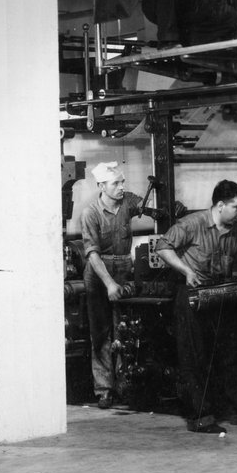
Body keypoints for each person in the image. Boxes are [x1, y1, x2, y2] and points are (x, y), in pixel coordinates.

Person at [155, 180, 237, 434]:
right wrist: (185, 270)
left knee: (226, 352)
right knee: (194, 356)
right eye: (236, 207)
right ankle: (200, 416)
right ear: (220, 205)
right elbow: (162, 246)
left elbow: (236, 263)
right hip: (193, 295)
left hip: (220, 295)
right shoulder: (192, 224)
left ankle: (230, 408)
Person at [80, 160, 146, 410]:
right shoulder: (91, 213)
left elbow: (149, 205)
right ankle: (104, 390)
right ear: (101, 185)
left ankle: (124, 385)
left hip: (123, 267)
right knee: (100, 333)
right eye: (115, 183)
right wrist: (109, 283)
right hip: (99, 273)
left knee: (124, 330)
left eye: (122, 182)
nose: (121, 187)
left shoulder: (127, 202)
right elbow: (92, 255)